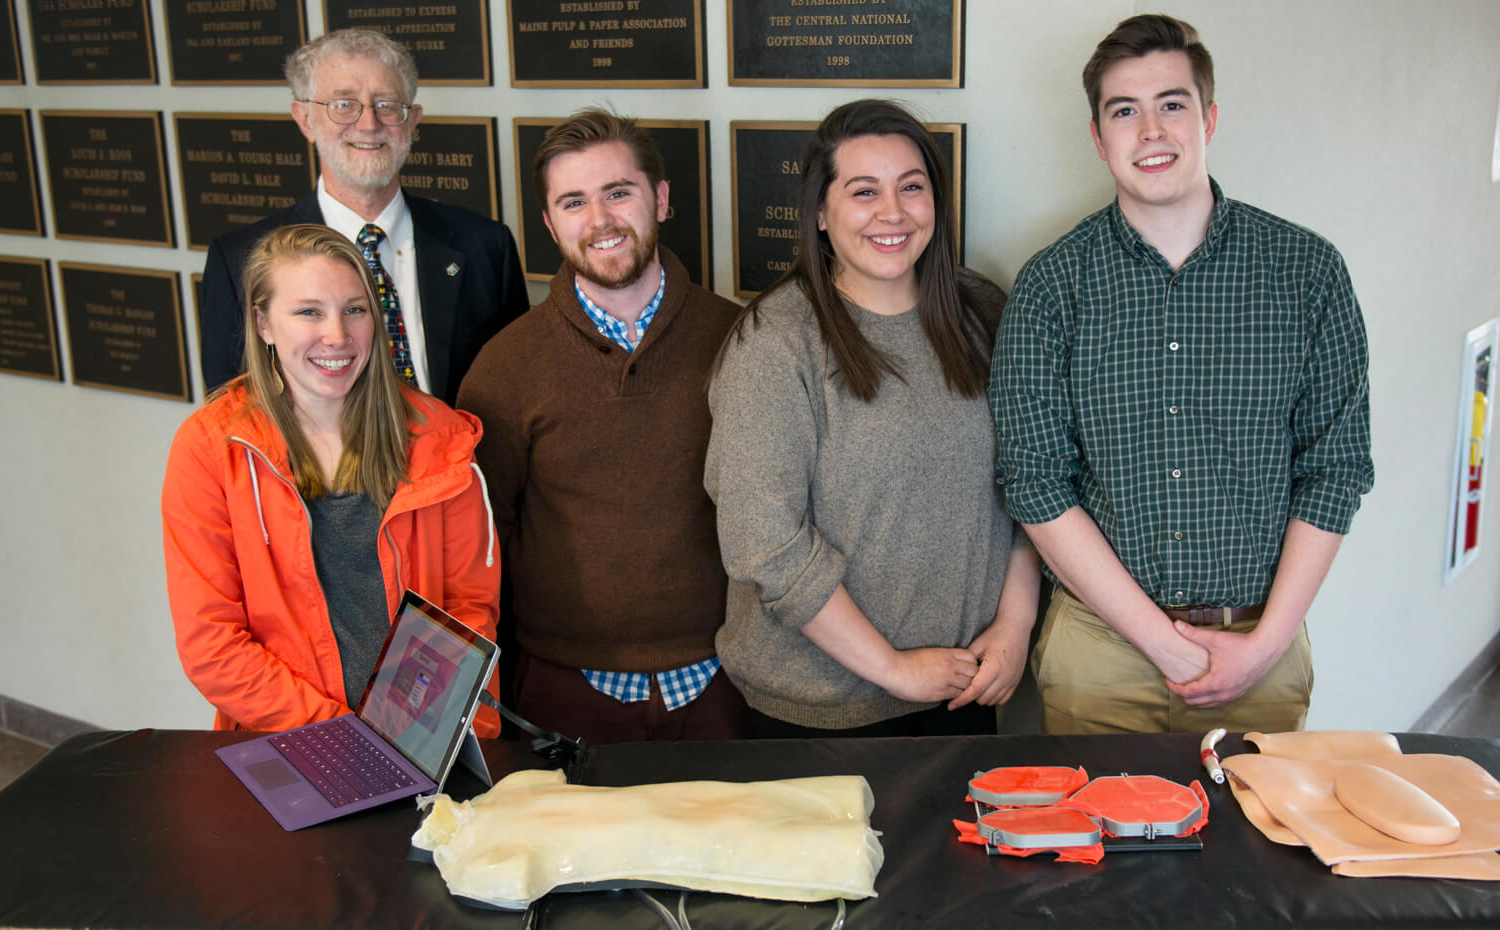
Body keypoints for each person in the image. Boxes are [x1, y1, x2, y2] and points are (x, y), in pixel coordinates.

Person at [988, 14, 1374, 735]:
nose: (1151, 131)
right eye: (1123, 112)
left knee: (1256, 846)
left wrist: (1262, 647)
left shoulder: (1307, 273)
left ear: (1210, 118)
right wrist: (1164, 645)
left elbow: (1338, 468)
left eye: (1172, 104)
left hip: (1261, 644)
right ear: (1099, 139)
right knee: (1095, 843)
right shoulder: (1051, 286)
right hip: (1099, 655)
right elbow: (1035, 481)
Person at [706, 99, 1041, 738]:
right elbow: (765, 542)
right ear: (821, 214)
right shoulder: (776, 342)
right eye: (864, 191)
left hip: (965, 691)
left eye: (910, 187)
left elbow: (1035, 477)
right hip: (816, 715)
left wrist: (1016, 623)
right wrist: (890, 667)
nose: (892, 212)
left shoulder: (984, 315)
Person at [457, 109, 749, 744]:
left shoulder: (743, 339)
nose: (600, 221)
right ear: (549, 223)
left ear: (661, 199)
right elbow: (482, 544)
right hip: (563, 689)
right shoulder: (505, 366)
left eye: (619, 193)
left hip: (726, 680)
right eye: (573, 202)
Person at [163, 223, 501, 735]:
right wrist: (343, 737)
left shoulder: (442, 439)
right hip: (286, 740)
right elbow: (211, 643)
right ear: (263, 324)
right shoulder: (213, 448)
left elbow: (465, 611)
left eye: (354, 310)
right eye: (308, 312)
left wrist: (427, 741)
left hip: (417, 742)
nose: (337, 336)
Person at [198, 28, 526, 404]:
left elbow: (517, 395)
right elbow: (232, 415)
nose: (369, 124)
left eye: (387, 105)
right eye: (344, 105)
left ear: (412, 120)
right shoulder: (238, 261)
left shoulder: (486, 246)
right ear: (305, 119)